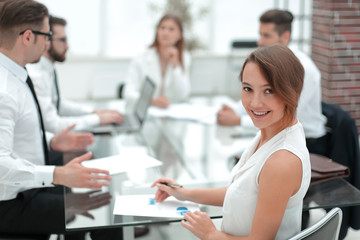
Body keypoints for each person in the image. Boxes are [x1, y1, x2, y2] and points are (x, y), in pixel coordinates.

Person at [152, 45, 311, 239]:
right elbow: (243, 194)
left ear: (292, 90)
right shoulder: (269, 132)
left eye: (269, 90)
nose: (254, 103)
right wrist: (184, 193)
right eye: (247, 89)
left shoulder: (281, 162)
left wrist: (210, 234)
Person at [0, 1, 122, 239]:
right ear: (27, 37)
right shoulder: (4, 90)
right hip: (12, 204)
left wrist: (51, 141)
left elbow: (18, 133)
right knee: (105, 210)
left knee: (99, 202)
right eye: (46, 36)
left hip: (24, 187)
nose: (47, 43)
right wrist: (57, 174)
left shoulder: (16, 74)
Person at [217, 9, 327, 156]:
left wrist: (238, 120)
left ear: (285, 37)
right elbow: (259, 95)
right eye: (260, 34)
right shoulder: (269, 63)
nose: (260, 41)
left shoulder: (303, 69)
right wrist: (233, 110)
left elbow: (287, 116)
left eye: (266, 35)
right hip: (276, 137)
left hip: (307, 144)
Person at [26, 15, 123, 134]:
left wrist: (94, 112)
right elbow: (52, 125)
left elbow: (58, 104)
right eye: (62, 40)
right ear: (47, 40)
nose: (67, 46)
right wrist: (97, 119)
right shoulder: (37, 75)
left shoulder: (47, 68)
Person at [124, 13, 191, 110]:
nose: (165, 32)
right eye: (162, 28)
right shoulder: (141, 58)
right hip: (147, 112)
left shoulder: (185, 58)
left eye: (171, 29)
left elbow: (183, 95)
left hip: (171, 114)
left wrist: (176, 65)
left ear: (180, 35)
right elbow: (128, 93)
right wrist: (152, 101)